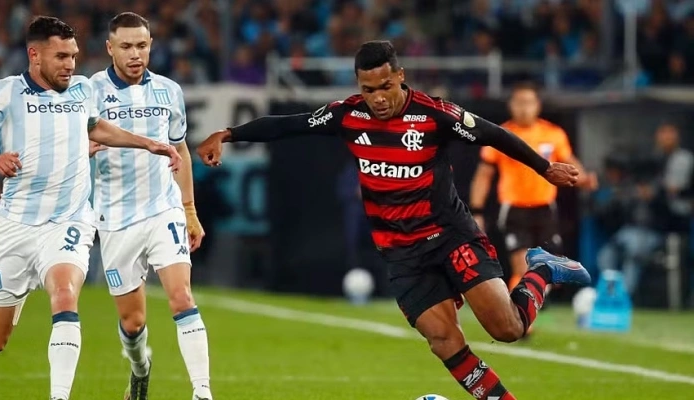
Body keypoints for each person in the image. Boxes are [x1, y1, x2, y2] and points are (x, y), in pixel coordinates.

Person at [196, 41, 590, 400]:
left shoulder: (435, 114)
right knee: (443, 340)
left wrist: (543, 167)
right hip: (401, 252)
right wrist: (227, 134)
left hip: (451, 236)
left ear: (399, 76)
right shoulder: (347, 115)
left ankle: (542, 270)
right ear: (359, 86)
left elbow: (492, 135)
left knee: (507, 329)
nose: (378, 98)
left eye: (385, 86)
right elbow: (289, 124)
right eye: (369, 90)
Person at [0, 16, 181, 400]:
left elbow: (95, 127)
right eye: (61, 56)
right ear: (34, 55)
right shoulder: (5, 93)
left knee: (66, 294)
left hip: (68, 220)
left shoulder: (82, 89)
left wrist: (146, 143)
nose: (70, 64)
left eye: (73, 55)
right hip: (15, 226)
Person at [87, 12, 212, 400]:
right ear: (110, 48)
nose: (135, 54)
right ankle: (140, 367)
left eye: (142, 45)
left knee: (182, 298)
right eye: (126, 46)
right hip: (115, 218)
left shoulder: (169, 91)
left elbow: (181, 152)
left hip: (163, 209)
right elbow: (73, 147)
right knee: (133, 321)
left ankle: (202, 392)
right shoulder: (88, 91)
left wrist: (189, 210)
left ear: (151, 46)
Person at [468, 81, 597, 292]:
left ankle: (527, 305)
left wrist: (584, 179)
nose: (524, 108)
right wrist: (477, 211)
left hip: (545, 208)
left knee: (547, 270)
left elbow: (570, 162)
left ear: (537, 105)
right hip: (514, 210)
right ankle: (519, 319)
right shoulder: (501, 135)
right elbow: (484, 175)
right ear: (511, 105)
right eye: (519, 102)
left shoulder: (553, 134)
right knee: (522, 265)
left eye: (528, 102)